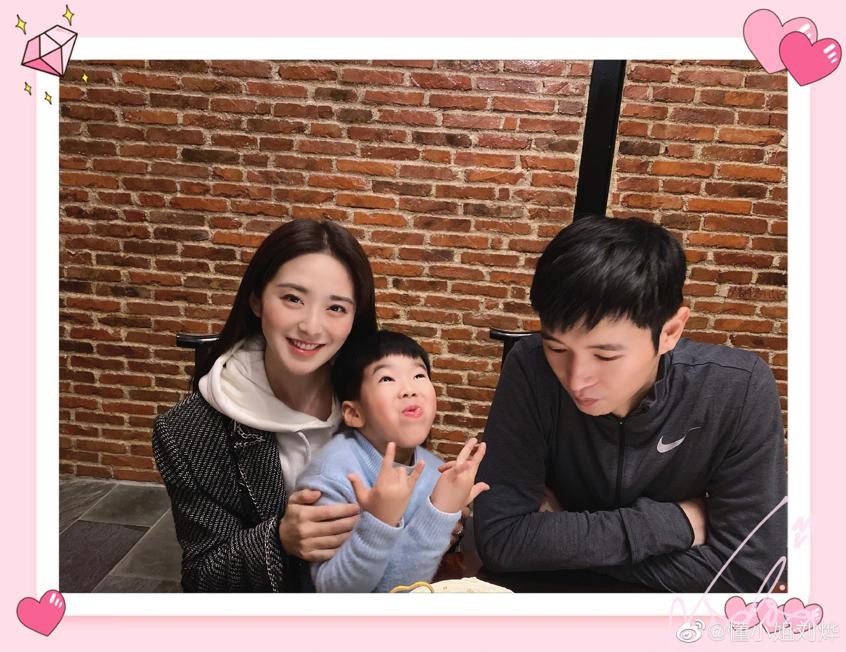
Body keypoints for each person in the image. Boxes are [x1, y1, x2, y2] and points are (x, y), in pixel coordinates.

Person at [474, 215, 787, 593]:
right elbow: (502, 539)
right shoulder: (531, 366)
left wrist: (563, 542)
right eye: (557, 348)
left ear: (670, 331)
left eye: (605, 356)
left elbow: (749, 574)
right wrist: (679, 523)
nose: (576, 379)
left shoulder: (737, 389)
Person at [152, 218, 378, 592]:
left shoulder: (378, 397)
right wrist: (280, 540)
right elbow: (203, 577)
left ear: (355, 319)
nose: (311, 326)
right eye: (293, 299)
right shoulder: (188, 432)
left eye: (336, 307)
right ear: (257, 300)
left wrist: (437, 513)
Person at [296, 330, 488, 592]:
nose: (409, 390)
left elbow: (405, 585)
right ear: (354, 413)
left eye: (419, 375)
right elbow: (337, 595)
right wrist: (380, 521)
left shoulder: (435, 470)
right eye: (387, 378)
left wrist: (444, 512)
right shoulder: (334, 475)